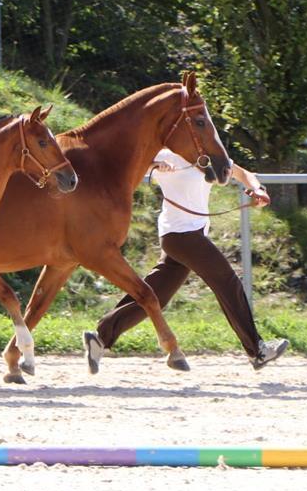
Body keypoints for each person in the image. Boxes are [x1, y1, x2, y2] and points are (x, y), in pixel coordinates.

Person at [83, 147, 290, 372]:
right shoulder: (165, 155)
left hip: (190, 235)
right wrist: (153, 166)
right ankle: (257, 350)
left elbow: (243, 174)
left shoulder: (209, 155)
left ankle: (100, 338)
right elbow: (124, 165)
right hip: (180, 235)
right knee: (227, 282)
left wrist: (258, 190)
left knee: (154, 296)